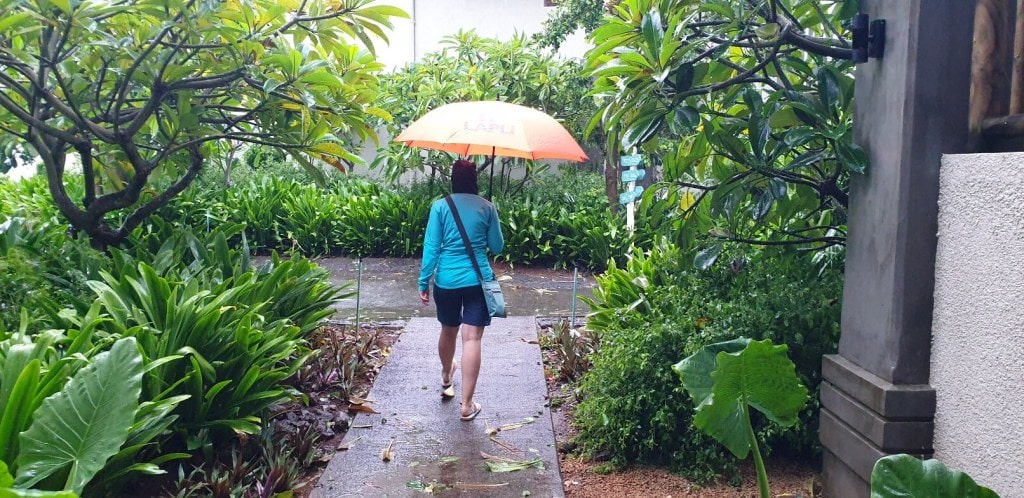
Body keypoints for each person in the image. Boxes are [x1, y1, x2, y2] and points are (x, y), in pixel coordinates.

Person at [418, 159, 504, 421]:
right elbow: (497, 246)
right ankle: (466, 405)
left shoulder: (440, 206)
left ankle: (446, 375)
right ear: (475, 180)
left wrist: (424, 282)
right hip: (478, 280)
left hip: (446, 280)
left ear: (453, 180)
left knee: (448, 330)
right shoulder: (487, 207)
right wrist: (488, 220)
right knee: (472, 339)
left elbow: (432, 247)